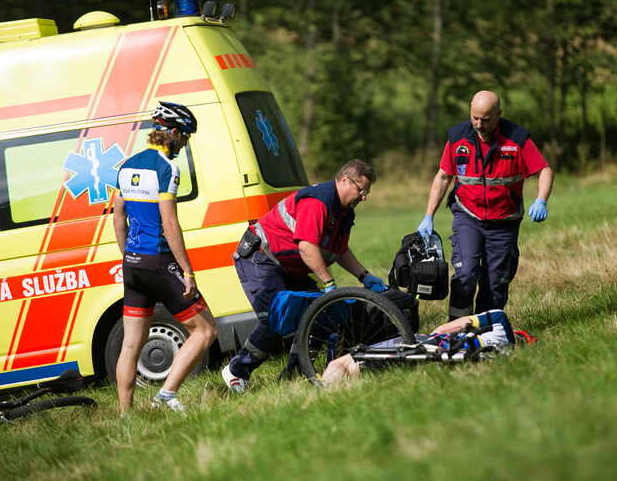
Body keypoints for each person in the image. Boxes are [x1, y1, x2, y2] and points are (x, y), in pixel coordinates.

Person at [221, 159, 388, 393]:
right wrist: (329, 284)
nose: (364, 197)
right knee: (276, 319)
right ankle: (237, 371)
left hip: (291, 267)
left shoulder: (343, 211)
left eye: (366, 192)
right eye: (362, 190)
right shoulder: (317, 202)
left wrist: (364, 275)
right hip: (261, 258)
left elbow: (339, 249)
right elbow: (307, 247)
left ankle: (295, 373)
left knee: (322, 314)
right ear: (344, 180)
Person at [113, 102, 218, 415]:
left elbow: (118, 218)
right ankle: (167, 393)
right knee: (206, 331)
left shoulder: (127, 165)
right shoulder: (167, 167)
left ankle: (125, 415)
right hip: (159, 261)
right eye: (184, 137)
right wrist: (187, 271)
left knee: (130, 344)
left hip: (132, 264)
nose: (185, 143)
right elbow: (169, 222)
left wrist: (129, 258)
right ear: (172, 133)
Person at [418, 90, 554, 320]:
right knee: (466, 274)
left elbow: (544, 170)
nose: (479, 124)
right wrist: (428, 216)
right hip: (468, 216)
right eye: (475, 117)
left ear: (499, 114)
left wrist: (541, 199)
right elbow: (443, 177)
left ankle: (485, 331)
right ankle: (457, 331)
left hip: (504, 222)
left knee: (495, 282)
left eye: (486, 119)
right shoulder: (457, 137)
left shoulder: (517, 138)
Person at [321, 309, 528, 385]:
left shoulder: (500, 321)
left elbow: (443, 329)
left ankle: (322, 392)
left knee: (342, 363)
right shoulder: (501, 355)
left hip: (429, 344)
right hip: (434, 361)